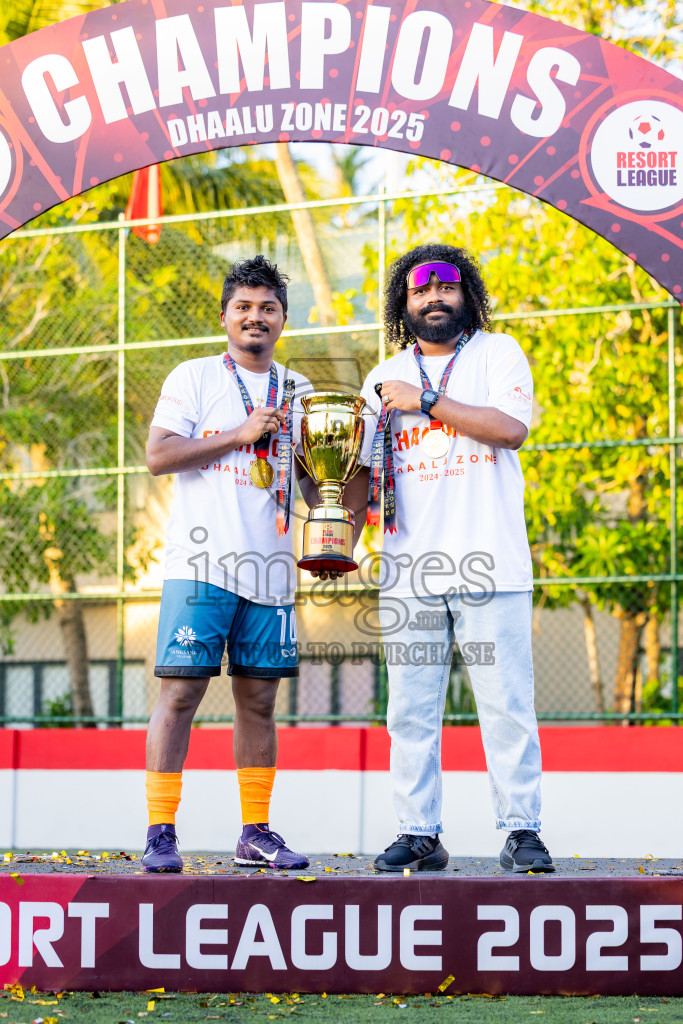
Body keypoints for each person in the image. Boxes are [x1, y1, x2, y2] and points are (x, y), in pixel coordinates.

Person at [358, 243, 553, 874]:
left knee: (505, 706)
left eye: (445, 287)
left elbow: (511, 428)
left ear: (466, 293)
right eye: (420, 290)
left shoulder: (498, 353)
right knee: (409, 710)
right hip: (408, 571)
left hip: (490, 563)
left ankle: (522, 831)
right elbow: (360, 472)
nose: (433, 298)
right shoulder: (381, 376)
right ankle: (419, 833)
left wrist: (427, 402)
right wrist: (314, 487)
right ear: (404, 302)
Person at [143, 255, 313, 873]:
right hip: (199, 562)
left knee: (260, 702)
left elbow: (309, 481)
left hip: (270, 568)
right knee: (182, 693)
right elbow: (159, 456)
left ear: (283, 320)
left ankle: (256, 833)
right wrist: (240, 435)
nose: (255, 317)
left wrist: (333, 514)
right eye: (243, 306)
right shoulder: (193, 377)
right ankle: (161, 830)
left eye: (267, 307)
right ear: (224, 317)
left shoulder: (299, 391)